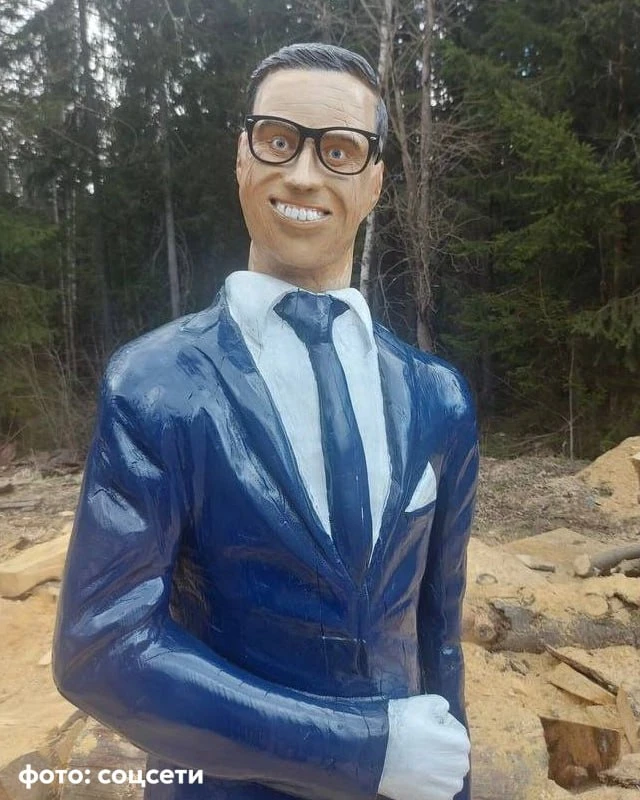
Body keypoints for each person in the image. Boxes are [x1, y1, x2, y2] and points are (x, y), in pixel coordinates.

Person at [53, 42, 478, 800]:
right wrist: (363, 751)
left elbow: (438, 638)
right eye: (279, 140)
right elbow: (101, 648)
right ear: (242, 159)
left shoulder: (437, 398)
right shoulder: (156, 385)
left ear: (375, 182)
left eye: (340, 150)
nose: (305, 174)